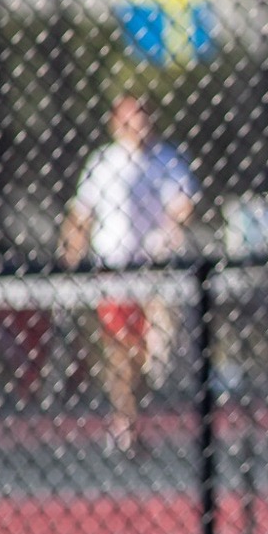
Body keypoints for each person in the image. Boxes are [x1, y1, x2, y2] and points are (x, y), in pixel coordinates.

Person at [58, 94, 197, 455]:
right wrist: (72, 251)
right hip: (113, 270)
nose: (140, 124)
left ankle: (138, 408)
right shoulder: (104, 163)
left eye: (144, 116)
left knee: (155, 355)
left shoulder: (166, 159)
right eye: (132, 117)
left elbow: (183, 205)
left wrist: (170, 231)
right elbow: (81, 213)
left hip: (156, 273)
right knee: (121, 349)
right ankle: (127, 422)